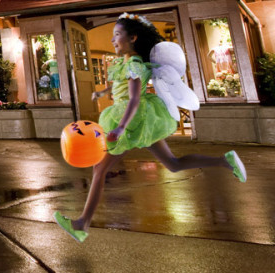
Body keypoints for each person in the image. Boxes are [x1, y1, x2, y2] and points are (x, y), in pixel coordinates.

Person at [53, 12, 247, 244]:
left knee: (99, 170)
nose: (113, 40)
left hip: (133, 120)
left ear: (133, 38)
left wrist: (122, 127)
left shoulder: (134, 63)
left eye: (117, 35)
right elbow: (120, 87)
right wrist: (103, 93)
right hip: (141, 120)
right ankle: (225, 161)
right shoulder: (126, 62)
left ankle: (81, 224)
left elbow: (134, 99)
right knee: (173, 164)